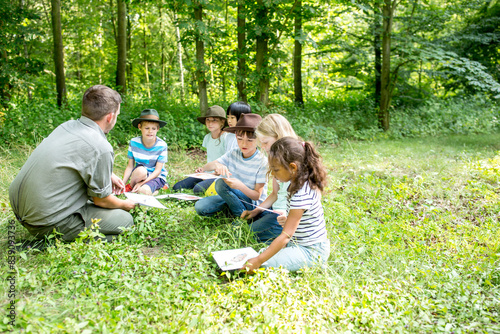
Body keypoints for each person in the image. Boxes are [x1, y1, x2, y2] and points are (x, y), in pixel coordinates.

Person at [9, 85, 136, 242]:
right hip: (46, 223)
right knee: (125, 221)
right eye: (117, 114)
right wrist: (125, 204)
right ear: (110, 117)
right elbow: (101, 200)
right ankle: (54, 241)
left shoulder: (67, 126)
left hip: (21, 210)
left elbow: (72, 158)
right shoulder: (101, 147)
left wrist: (108, 174)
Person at [242, 137, 330, 272]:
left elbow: (285, 236)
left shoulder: (301, 193)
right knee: (261, 253)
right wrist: (288, 219)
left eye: (276, 170)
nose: (272, 174)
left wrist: (259, 260)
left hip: (312, 251)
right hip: (297, 244)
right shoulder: (298, 182)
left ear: (293, 167)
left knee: (262, 263)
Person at [195, 113, 268, 218]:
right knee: (200, 206)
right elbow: (208, 166)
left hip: (251, 203)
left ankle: (241, 217)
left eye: (250, 141)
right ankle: (233, 211)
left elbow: (257, 196)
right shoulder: (234, 152)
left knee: (221, 183)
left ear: (259, 140)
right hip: (232, 196)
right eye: (240, 139)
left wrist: (240, 186)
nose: (244, 144)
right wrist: (217, 165)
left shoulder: (262, 162)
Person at [240, 114, 298, 244]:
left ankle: (283, 238)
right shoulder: (274, 158)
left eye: (265, 142)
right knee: (240, 227)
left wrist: (287, 216)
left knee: (247, 234)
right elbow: (275, 194)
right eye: (261, 143)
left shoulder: (296, 159)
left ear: (279, 136)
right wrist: (256, 211)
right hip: (274, 211)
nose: (263, 147)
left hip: (286, 216)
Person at [172, 105, 237, 195]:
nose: (210, 123)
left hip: (220, 175)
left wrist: (214, 173)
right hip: (207, 173)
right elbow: (210, 158)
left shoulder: (226, 137)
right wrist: (202, 169)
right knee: (177, 187)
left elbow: (227, 161)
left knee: (198, 189)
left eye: (214, 120)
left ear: (222, 122)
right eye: (208, 120)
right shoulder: (207, 137)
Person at [122, 109, 169, 195]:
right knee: (141, 171)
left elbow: (157, 171)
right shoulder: (133, 142)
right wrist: (122, 184)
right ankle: (131, 187)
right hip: (141, 174)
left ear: (158, 129)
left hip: (156, 176)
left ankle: (156, 189)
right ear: (140, 127)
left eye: (153, 128)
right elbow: (130, 167)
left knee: (143, 191)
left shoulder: (162, 145)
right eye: (147, 128)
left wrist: (141, 183)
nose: (150, 131)